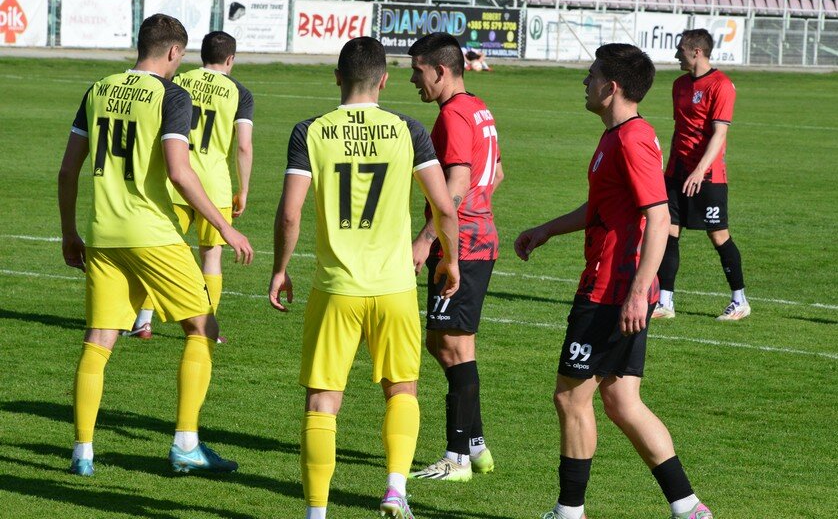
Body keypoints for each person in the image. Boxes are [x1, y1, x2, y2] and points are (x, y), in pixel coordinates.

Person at [514, 44, 713, 519]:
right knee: (622, 401)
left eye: (591, 75)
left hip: (611, 290)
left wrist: (638, 292)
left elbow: (659, 217)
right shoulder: (617, 136)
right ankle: (689, 508)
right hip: (618, 288)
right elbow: (604, 206)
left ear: (612, 86)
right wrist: (547, 229)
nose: (585, 82)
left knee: (570, 397)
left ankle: (569, 512)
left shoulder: (631, 139)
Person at [268, 36, 460, 519]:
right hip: (395, 286)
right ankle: (395, 488)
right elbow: (444, 207)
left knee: (322, 400)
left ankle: (316, 512)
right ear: (384, 80)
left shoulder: (310, 131)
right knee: (402, 388)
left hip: (336, 288)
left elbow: (289, 214)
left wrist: (280, 269)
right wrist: (450, 260)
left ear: (337, 77)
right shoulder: (408, 129)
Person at [58, 13, 254, 477]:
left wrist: (69, 232)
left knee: (99, 339)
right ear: (173, 52)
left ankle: (82, 452)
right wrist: (225, 228)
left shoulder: (98, 89)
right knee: (202, 327)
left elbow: (68, 170)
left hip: (103, 235)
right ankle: (186, 444)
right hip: (153, 235)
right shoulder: (170, 94)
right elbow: (180, 173)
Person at [408, 32, 503, 482]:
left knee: (451, 346)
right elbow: (496, 173)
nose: (414, 80)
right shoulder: (479, 108)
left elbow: (459, 184)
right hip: (476, 238)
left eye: (418, 71)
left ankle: (458, 457)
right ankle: (476, 447)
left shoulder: (452, 115)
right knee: (447, 343)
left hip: (460, 245)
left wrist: (427, 238)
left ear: (441, 70)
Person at [125, 30, 254, 341]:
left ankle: (143, 322)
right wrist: (244, 190)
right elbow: (244, 146)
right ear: (230, 59)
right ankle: (207, 328)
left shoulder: (178, 81)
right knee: (211, 254)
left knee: (157, 249)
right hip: (214, 185)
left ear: (200, 54)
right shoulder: (239, 92)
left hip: (176, 180)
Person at [653, 28, 749, 321]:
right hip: (676, 172)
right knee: (668, 231)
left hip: (708, 176)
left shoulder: (721, 85)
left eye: (680, 50)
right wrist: (669, 167)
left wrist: (699, 170)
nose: (675, 55)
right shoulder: (679, 85)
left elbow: (719, 134)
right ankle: (665, 302)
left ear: (696, 52)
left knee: (718, 235)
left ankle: (739, 300)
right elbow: (680, 130)